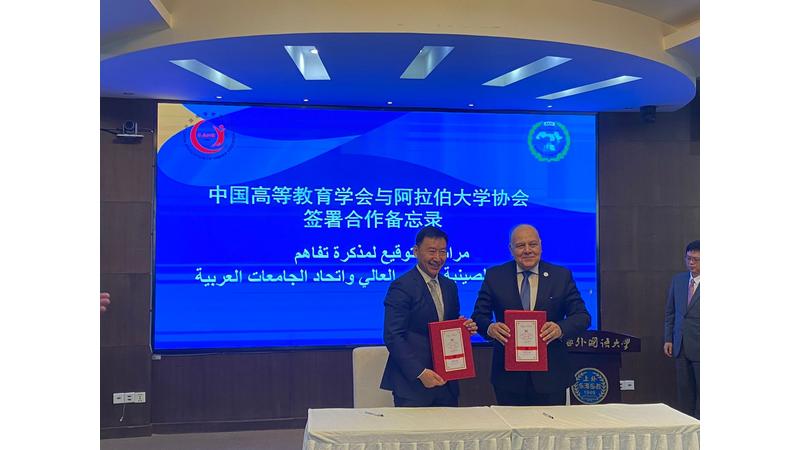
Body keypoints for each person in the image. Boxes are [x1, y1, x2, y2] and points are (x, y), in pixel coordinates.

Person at [471, 224, 591, 406]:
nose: (527, 250)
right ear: (511, 249)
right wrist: (490, 328)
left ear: (541, 246)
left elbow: (582, 317)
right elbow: (479, 316)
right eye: (520, 245)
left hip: (551, 376)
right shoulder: (495, 276)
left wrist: (560, 328)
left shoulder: (561, 276)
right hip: (508, 377)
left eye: (533, 244)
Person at [380, 226, 478, 407]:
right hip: (413, 385)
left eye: (443, 252)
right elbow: (393, 336)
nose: (437, 258)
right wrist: (420, 372)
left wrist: (463, 328)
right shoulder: (402, 286)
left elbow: (448, 324)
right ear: (416, 251)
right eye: (431, 251)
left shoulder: (450, 286)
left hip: (446, 382)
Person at [663, 240, 700, 419]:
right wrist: (668, 339)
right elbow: (670, 312)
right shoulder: (678, 280)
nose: (691, 263)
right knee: (684, 392)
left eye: (696, 259)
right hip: (680, 345)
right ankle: (686, 426)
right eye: (688, 258)